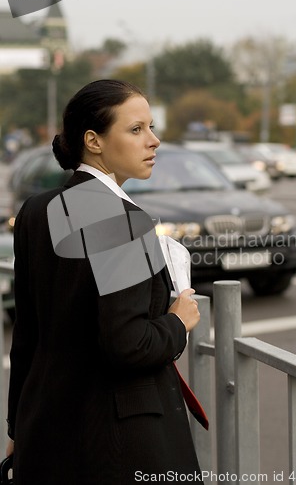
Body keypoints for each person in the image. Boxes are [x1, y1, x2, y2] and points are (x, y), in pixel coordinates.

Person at [6, 80, 205, 484]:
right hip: (123, 442)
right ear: (93, 141)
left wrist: (16, 428)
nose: (154, 141)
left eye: (150, 127)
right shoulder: (123, 221)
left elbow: (28, 334)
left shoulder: (36, 210)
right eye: (136, 130)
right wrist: (177, 322)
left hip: (48, 428)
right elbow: (128, 344)